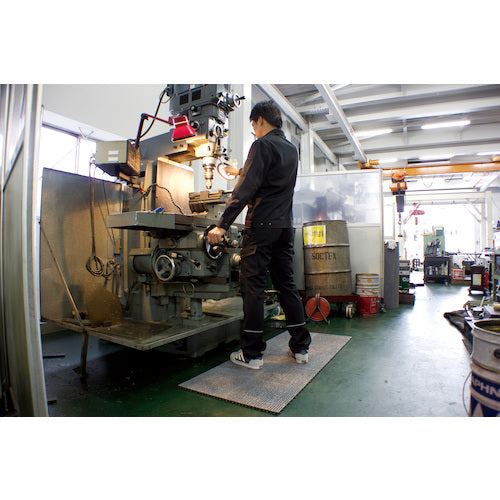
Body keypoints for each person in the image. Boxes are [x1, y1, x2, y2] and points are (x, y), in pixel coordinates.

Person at [207, 100, 311, 370]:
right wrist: (239, 170)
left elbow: (245, 189)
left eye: (253, 125)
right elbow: (269, 175)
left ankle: (252, 354)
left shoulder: (261, 145)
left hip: (261, 227)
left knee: (252, 288)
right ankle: (301, 347)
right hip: (284, 228)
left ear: (260, 120)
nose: (253, 130)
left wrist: (222, 225)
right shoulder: (291, 150)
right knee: (286, 285)